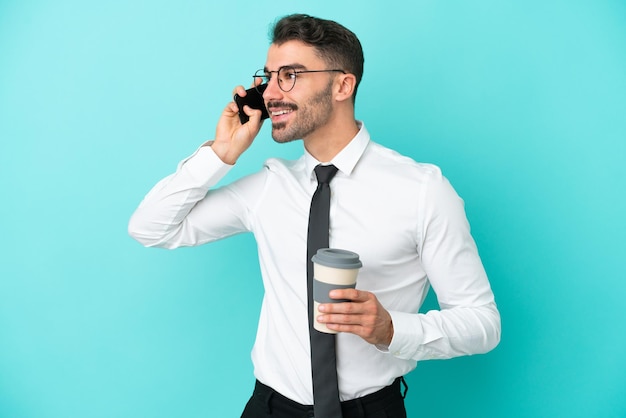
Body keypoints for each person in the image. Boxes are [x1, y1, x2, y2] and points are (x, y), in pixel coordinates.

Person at [128, 13, 501, 418]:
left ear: (343, 84)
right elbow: (150, 228)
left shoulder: (422, 191)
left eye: (290, 75)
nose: (270, 92)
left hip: (370, 410)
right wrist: (221, 153)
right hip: (270, 408)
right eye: (268, 76)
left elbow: (482, 323)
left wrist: (392, 329)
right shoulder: (270, 186)